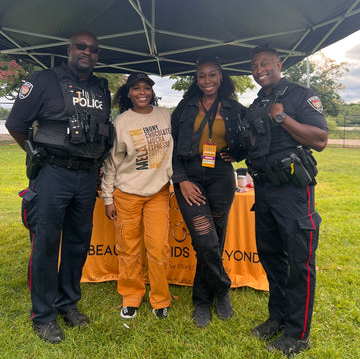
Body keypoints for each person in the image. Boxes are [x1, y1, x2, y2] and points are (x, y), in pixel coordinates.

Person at [6, 31, 113, 344]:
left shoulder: (101, 87)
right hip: (53, 173)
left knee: (78, 244)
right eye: (81, 47)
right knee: (46, 245)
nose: (87, 53)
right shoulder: (44, 80)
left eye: (93, 49)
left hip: (86, 176)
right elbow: (16, 124)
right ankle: (43, 315)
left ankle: (68, 304)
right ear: (69, 49)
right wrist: (33, 153)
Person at [240, 44, 328, 357]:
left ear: (280, 63)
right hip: (263, 192)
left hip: (293, 192)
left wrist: (284, 120)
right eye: (254, 66)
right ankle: (277, 317)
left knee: (299, 263)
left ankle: (297, 333)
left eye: (265, 63)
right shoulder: (256, 103)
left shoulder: (301, 95)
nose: (259, 70)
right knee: (271, 257)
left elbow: (320, 140)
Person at [171, 56, 247, 328]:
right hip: (190, 176)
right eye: (202, 76)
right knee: (204, 239)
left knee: (216, 238)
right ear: (196, 79)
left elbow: (248, 141)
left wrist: (235, 153)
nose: (207, 81)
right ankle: (222, 288)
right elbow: (172, 144)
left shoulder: (234, 108)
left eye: (212, 75)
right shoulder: (185, 107)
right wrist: (180, 180)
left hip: (221, 177)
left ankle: (202, 299)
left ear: (221, 77)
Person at [101, 72, 173, 320]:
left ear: (152, 91)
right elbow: (112, 162)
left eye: (146, 88)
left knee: (158, 248)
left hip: (158, 193)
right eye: (136, 88)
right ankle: (131, 296)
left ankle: (160, 299)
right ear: (128, 93)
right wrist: (108, 198)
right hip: (127, 194)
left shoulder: (165, 115)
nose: (142, 92)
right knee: (128, 249)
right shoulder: (120, 122)